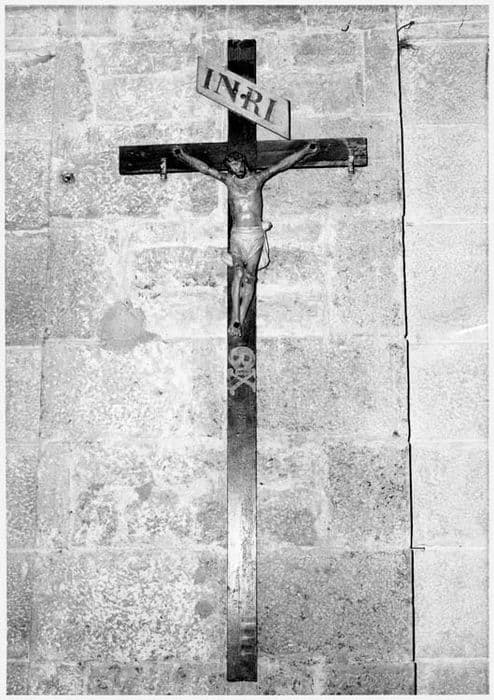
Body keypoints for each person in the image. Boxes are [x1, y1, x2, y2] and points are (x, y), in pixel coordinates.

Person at [173, 141, 319, 337]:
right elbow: (205, 169)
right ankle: (234, 316)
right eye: (232, 167)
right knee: (238, 273)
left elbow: (281, 165)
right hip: (238, 235)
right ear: (229, 168)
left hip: (255, 234)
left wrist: (305, 151)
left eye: (238, 164)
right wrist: (183, 155)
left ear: (243, 162)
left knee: (250, 277)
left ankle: (238, 321)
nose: (237, 169)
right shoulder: (229, 181)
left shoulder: (258, 179)